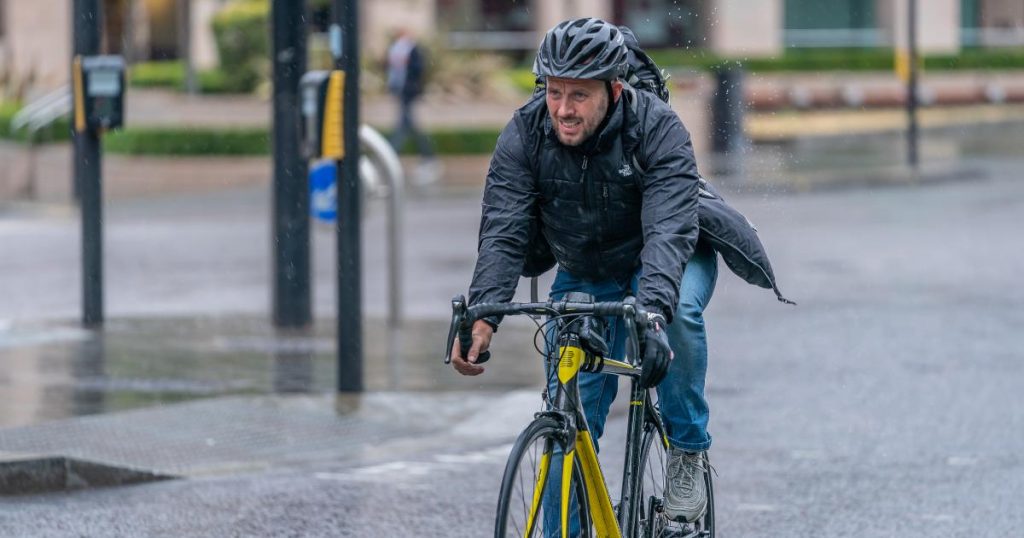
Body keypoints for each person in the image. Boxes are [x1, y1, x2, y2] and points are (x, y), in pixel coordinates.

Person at [450, 17, 788, 526]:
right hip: (586, 267)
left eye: (578, 96)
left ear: (613, 88)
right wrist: (483, 313)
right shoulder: (524, 133)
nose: (563, 109)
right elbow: (504, 230)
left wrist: (651, 312)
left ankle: (687, 452)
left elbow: (669, 229)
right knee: (569, 412)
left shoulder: (657, 127)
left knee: (678, 318)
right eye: (554, 92)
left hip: (669, 257)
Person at [385, 28, 440, 185]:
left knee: (405, 126)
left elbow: (418, 69)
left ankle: (391, 154)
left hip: (408, 93)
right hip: (402, 92)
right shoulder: (396, 50)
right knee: (408, 126)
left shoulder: (413, 50)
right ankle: (426, 157)